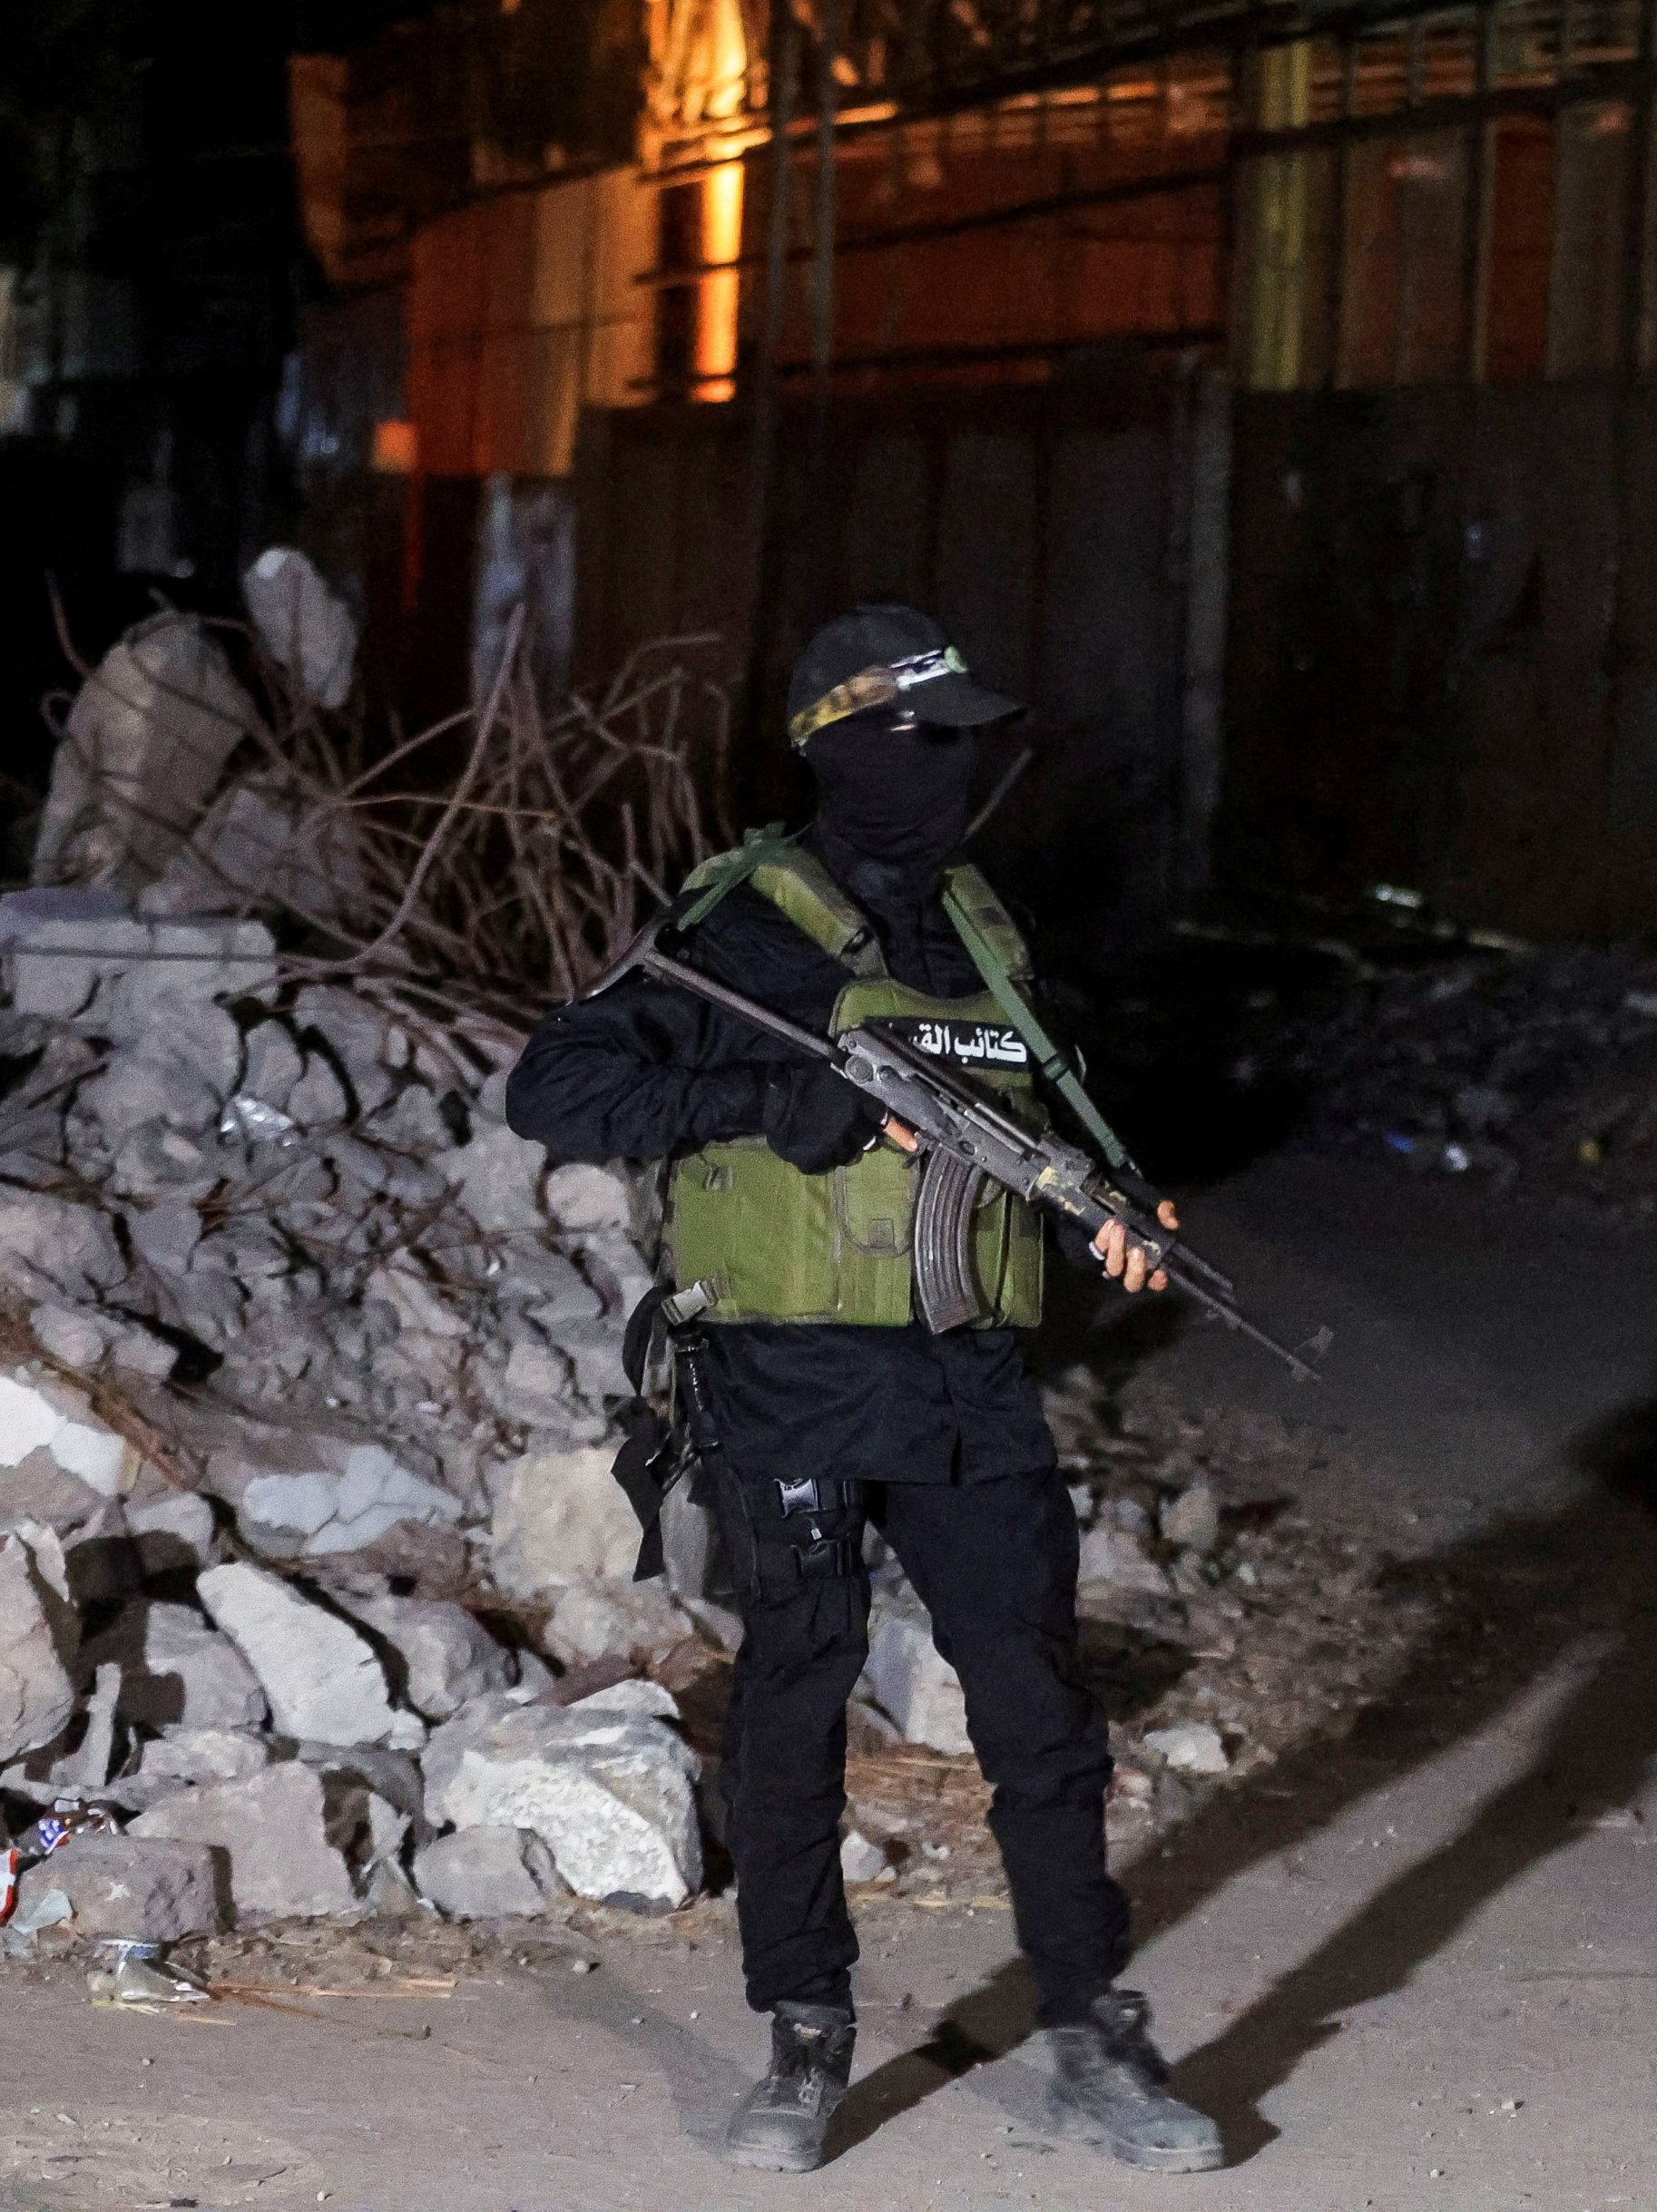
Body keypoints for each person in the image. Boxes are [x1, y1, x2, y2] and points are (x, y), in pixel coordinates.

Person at [505, 604, 1221, 2178]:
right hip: (791, 1376)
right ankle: (805, 2032)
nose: (951, 768)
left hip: (967, 1375)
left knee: (1039, 1711)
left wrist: (1118, 1209)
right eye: (919, 739)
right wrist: (784, 1100)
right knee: (794, 1703)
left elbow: (1060, 1116)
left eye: (965, 739)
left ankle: (1092, 2030)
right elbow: (553, 1085)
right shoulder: (744, 928)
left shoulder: (984, 929)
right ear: (838, 745)